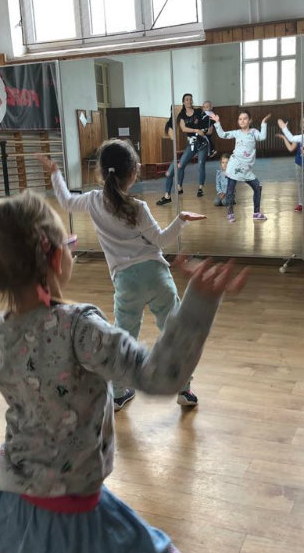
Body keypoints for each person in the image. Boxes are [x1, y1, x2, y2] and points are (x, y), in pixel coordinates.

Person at [0, 189, 248, 553]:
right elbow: (160, 377)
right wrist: (197, 304)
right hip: (74, 515)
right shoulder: (80, 328)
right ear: (57, 257)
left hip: (14, 507)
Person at [39, 140, 206, 410]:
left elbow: (66, 201)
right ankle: (184, 389)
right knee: (173, 331)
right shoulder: (138, 207)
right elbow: (161, 241)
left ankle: (118, 394)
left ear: (102, 172)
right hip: (156, 276)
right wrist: (181, 219)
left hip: (126, 282)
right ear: (133, 172)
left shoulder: (93, 201)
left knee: (123, 338)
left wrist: (56, 173)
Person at [208, 110, 271, 223]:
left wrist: (263, 123)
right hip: (234, 165)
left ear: (250, 120)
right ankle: (230, 213)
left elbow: (262, 137)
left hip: (246, 169)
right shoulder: (236, 133)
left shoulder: (253, 132)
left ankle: (256, 213)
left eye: (245, 118)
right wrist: (217, 123)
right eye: (240, 119)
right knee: (230, 190)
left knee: (257, 187)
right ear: (238, 121)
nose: (242, 121)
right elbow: (222, 134)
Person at [157, 93, 209, 204]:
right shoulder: (181, 116)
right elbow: (183, 129)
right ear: (183, 102)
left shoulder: (198, 111)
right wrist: (195, 130)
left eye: (190, 99)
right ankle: (179, 186)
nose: (189, 101)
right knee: (181, 165)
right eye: (187, 99)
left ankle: (200, 188)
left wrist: (208, 128)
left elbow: (207, 121)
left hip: (202, 143)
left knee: (201, 164)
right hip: (192, 143)